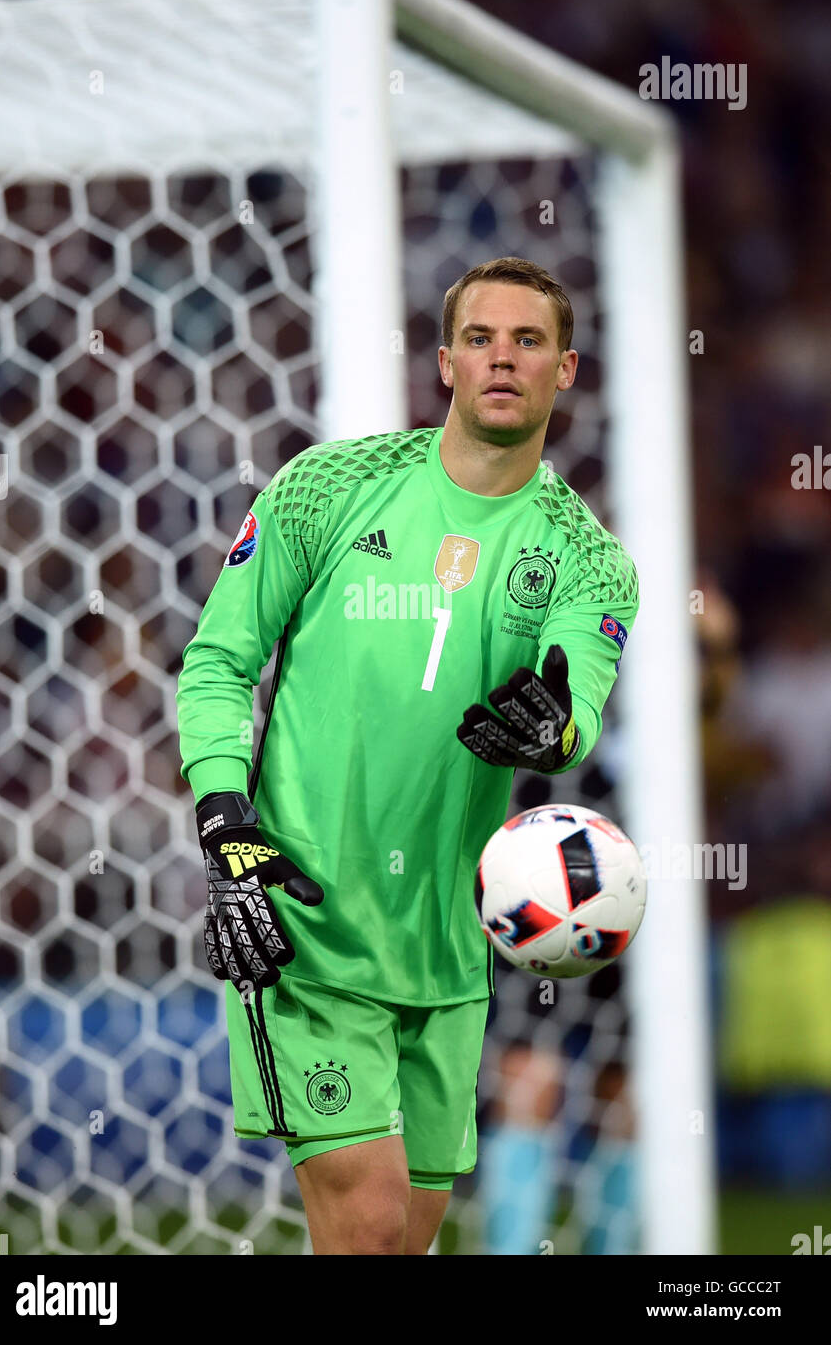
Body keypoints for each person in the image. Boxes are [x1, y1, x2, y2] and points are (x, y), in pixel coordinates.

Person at [176, 256, 639, 1255]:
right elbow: (217, 661)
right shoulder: (326, 488)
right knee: (373, 1227)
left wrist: (551, 727)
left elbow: (580, 703)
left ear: (566, 369)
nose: (501, 358)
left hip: (445, 952)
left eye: (527, 341)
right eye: (480, 339)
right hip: (304, 921)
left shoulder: (588, 557)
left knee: (402, 1245)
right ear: (444, 362)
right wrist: (224, 822)